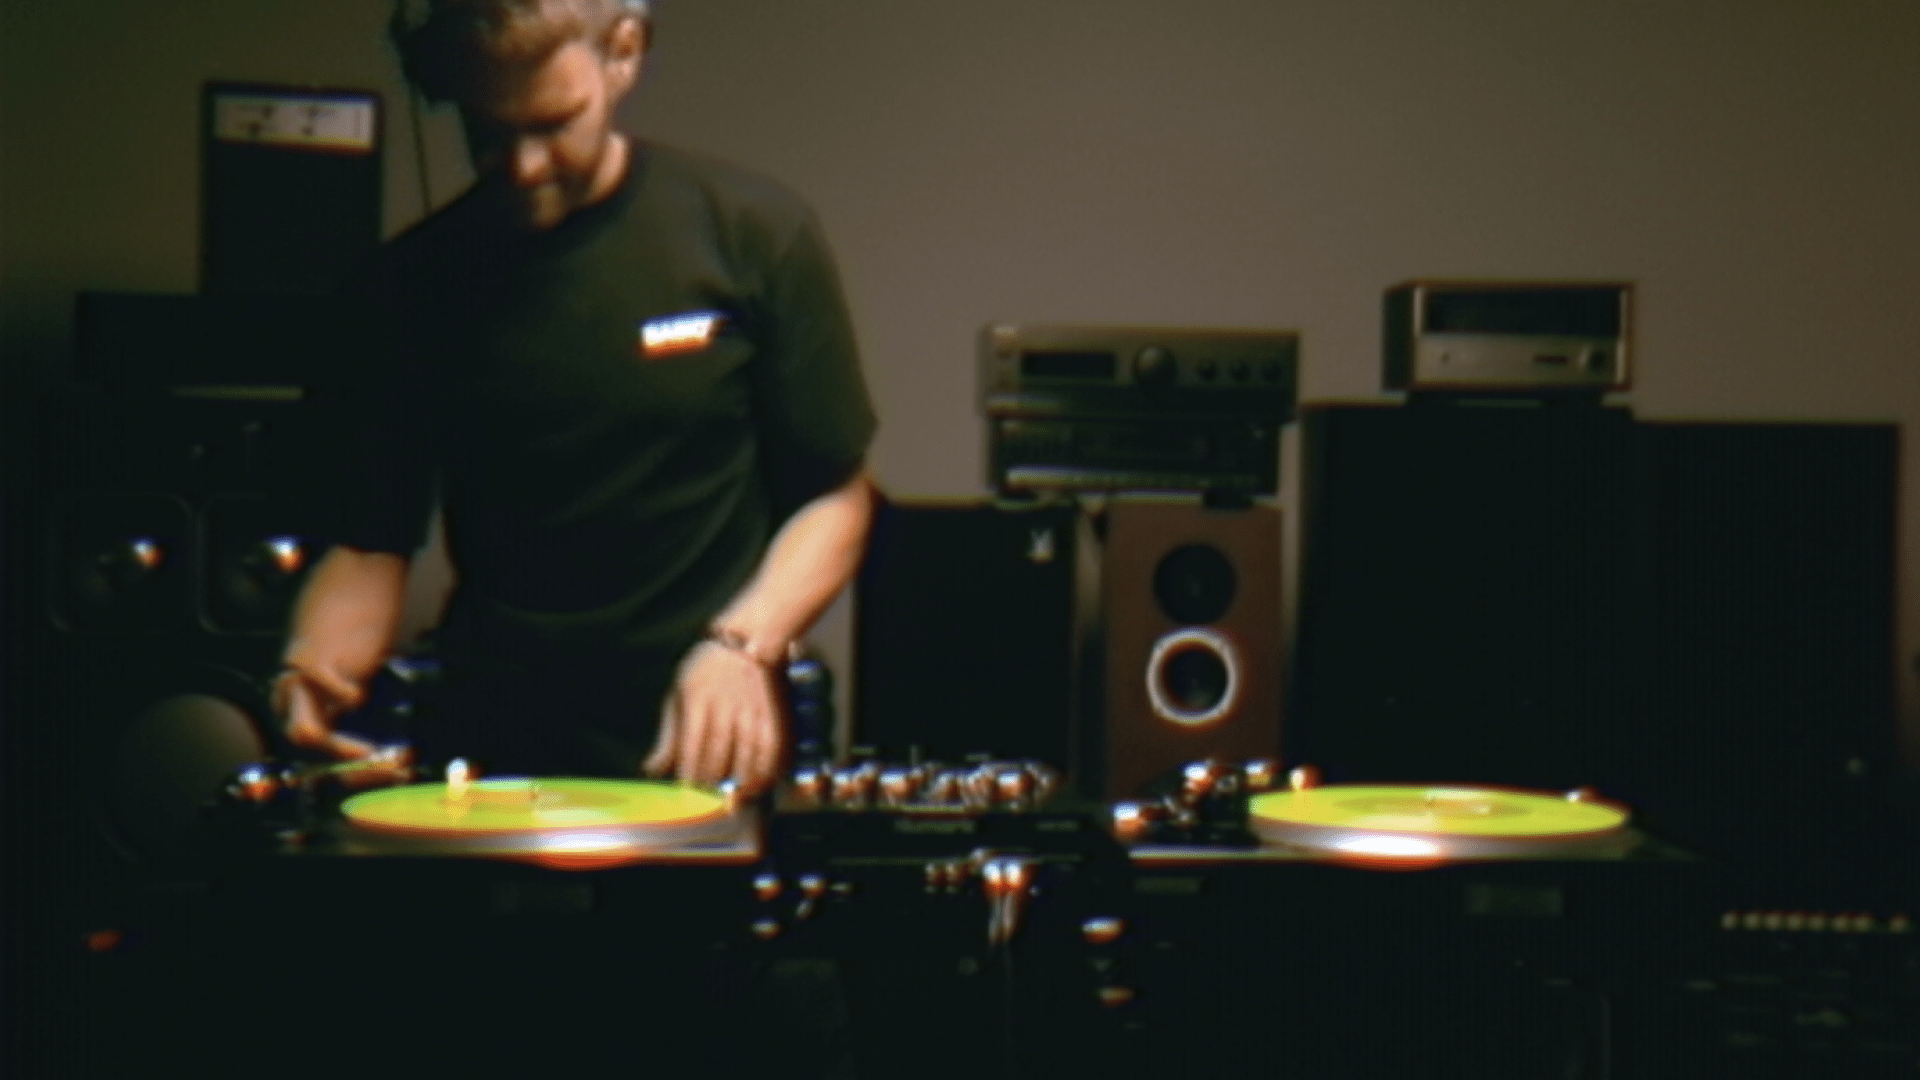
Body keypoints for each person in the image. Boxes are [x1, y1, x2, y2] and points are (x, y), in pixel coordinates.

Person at [275, 0, 877, 796]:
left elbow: (837, 497)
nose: (525, 167)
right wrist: (314, 665)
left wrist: (742, 643)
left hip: (705, 737)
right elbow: (369, 541)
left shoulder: (752, 234)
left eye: (553, 123)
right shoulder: (402, 290)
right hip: (499, 744)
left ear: (623, 54)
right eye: (488, 134)